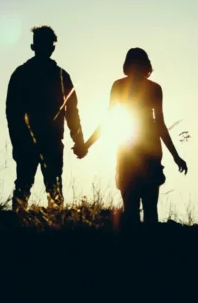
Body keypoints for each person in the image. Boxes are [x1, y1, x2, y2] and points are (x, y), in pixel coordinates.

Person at [79, 47, 187, 228]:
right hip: (131, 151)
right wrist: (87, 145)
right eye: (134, 63)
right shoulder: (124, 86)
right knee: (134, 207)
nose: (136, 68)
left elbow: (160, 124)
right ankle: (138, 242)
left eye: (139, 63)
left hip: (145, 151)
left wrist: (176, 156)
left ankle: (142, 242)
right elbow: (109, 120)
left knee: (147, 208)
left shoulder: (150, 88)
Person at [5, 25, 86, 211]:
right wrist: (79, 141)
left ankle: (21, 221)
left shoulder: (22, 74)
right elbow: (72, 112)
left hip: (36, 141)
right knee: (48, 186)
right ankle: (52, 222)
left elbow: (12, 112)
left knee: (30, 186)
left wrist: (17, 140)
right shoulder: (59, 76)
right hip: (42, 140)